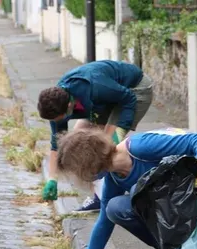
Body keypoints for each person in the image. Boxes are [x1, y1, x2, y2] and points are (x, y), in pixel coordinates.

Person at [55, 127, 197, 249]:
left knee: (140, 190)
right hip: (180, 212)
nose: (79, 177)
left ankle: (192, 248)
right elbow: (104, 222)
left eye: (78, 171)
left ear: (88, 163)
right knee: (114, 208)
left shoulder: (140, 147)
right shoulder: (115, 177)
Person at [37, 60, 154, 213]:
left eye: (59, 119)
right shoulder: (56, 104)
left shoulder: (96, 87)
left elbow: (128, 98)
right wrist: (52, 178)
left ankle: (142, 186)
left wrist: (112, 136)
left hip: (134, 90)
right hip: (103, 100)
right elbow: (57, 142)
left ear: (69, 107)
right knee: (76, 144)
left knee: (106, 148)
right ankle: (99, 196)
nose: (57, 123)